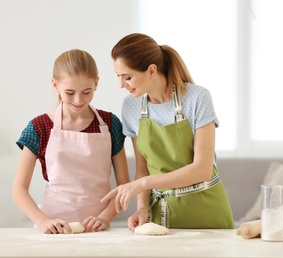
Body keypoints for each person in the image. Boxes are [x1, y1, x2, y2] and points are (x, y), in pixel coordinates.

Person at [101, 33, 235, 230]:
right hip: (160, 217)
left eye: (127, 77)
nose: (121, 85)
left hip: (208, 211)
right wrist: (142, 208)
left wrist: (142, 184)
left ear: (152, 71)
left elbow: (202, 169)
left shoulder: (197, 98)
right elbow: (142, 168)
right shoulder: (131, 106)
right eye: (119, 77)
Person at [12, 49, 130, 234]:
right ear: (55, 85)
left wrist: (105, 217)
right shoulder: (40, 127)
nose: (78, 100)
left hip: (98, 229)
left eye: (86, 92)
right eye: (70, 92)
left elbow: (124, 185)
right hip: (53, 230)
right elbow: (19, 189)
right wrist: (44, 221)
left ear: (96, 83)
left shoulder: (109, 123)